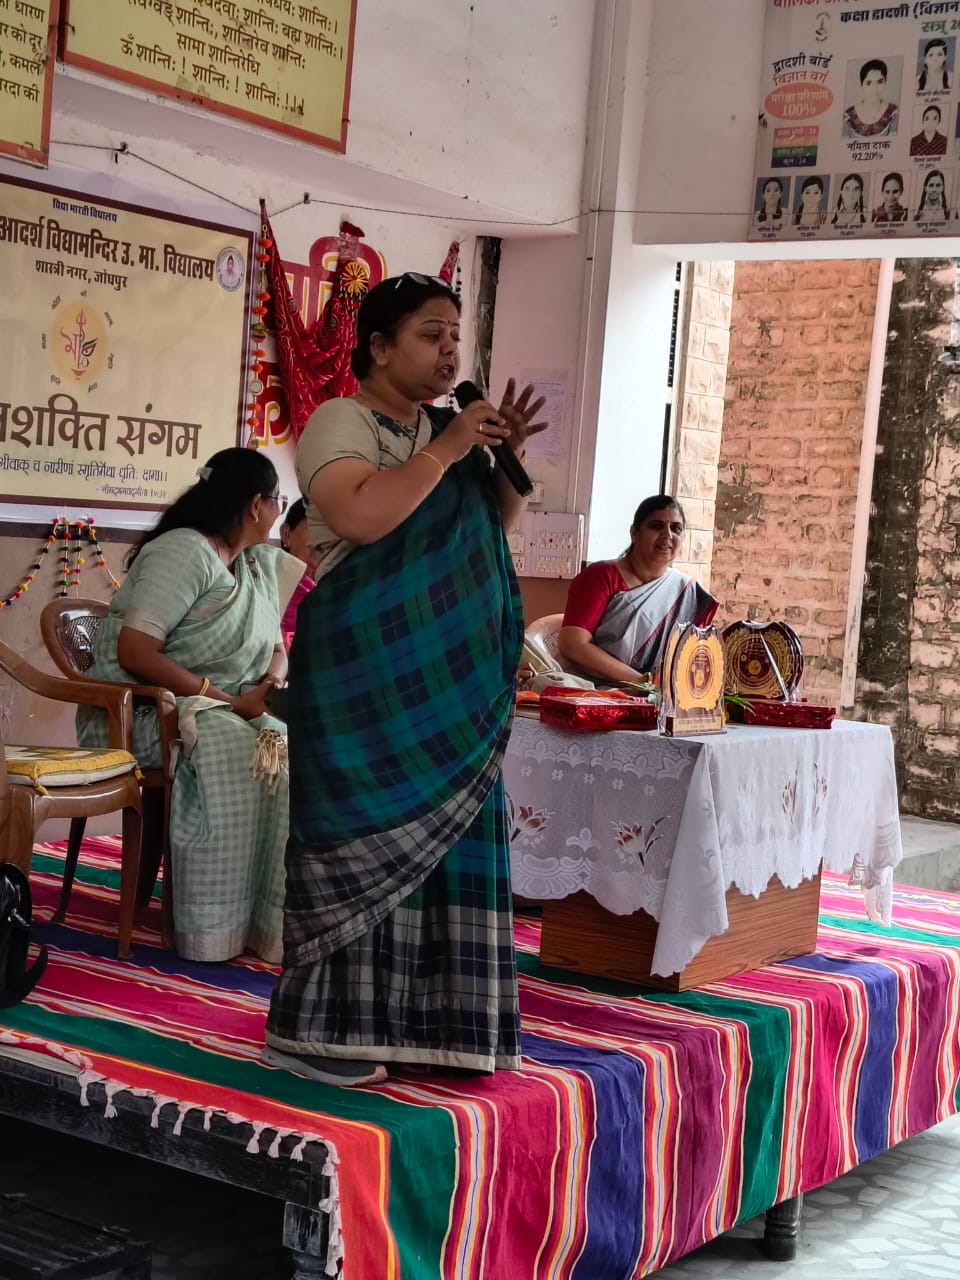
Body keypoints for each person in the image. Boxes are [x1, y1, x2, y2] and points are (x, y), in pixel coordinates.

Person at [263, 272, 546, 1086]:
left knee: (451, 846)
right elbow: (359, 515)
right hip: (368, 676)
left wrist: (505, 459)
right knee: (358, 842)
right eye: (430, 333)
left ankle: (436, 1028)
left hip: (448, 688)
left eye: (455, 334)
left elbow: (489, 527)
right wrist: (452, 447)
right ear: (380, 346)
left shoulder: (443, 430)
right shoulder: (342, 419)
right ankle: (317, 1037)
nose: (449, 349)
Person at [78, 448, 303, 963]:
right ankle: (209, 925)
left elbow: (277, 648)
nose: (278, 512)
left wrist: (269, 684)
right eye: (277, 500)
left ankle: (257, 920)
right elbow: (135, 651)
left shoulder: (252, 565)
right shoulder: (185, 552)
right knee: (233, 748)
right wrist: (228, 701)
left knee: (286, 747)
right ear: (256, 505)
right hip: (139, 716)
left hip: (216, 709)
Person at [557, 495, 718, 685]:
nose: (667, 535)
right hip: (593, 689)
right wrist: (642, 681)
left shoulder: (686, 590)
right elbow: (573, 645)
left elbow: (693, 657)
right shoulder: (601, 576)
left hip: (657, 694)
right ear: (634, 533)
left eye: (676, 528)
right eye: (656, 526)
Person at [278, 498, 318, 652]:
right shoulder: (264, 584)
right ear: (286, 534)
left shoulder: (335, 591)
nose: (325, 539)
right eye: (316, 527)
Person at [843, 59, 899, 138]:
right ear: (861, 85)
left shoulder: (893, 112)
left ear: (885, 82)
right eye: (868, 83)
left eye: (879, 82)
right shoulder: (849, 115)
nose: (874, 88)